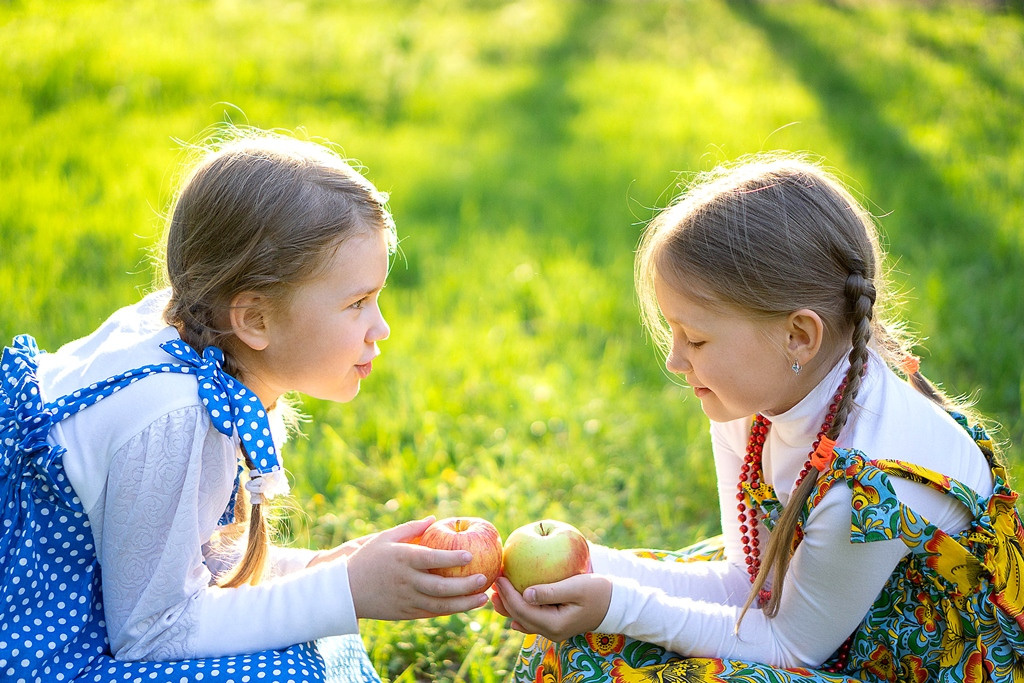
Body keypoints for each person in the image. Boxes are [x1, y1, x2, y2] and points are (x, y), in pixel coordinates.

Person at [494, 154, 1024, 682]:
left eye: (696, 339)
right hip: (816, 620)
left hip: (905, 665)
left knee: (607, 660)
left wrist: (616, 605)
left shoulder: (869, 483)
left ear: (799, 336)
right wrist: (585, 571)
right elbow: (747, 582)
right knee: (580, 641)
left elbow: (790, 645)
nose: (674, 361)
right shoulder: (748, 407)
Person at [0, 128, 491, 683]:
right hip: (40, 649)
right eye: (356, 303)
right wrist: (347, 591)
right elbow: (152, 631)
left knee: (310, 628)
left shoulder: (193, 340)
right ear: (254, 319)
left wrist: (334, 569)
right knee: (290, 671)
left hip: (92, 612)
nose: (380, 329)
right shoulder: (176, 414)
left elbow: (186, 563)